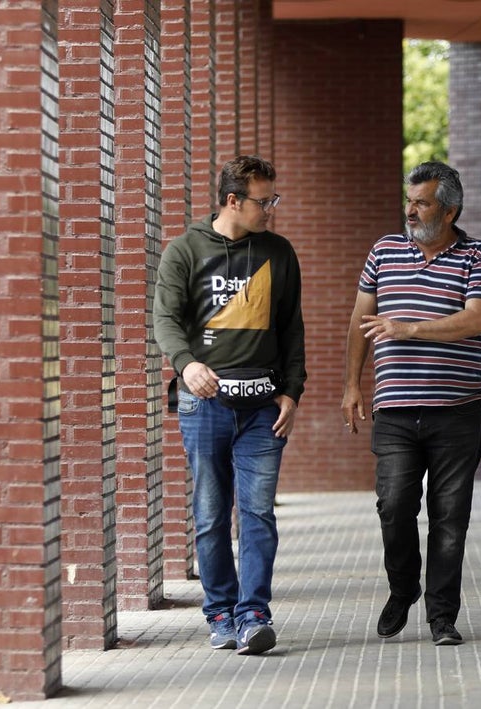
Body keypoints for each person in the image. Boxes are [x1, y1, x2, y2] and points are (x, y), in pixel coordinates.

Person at [342, 161, 481, 646]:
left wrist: (407, 328)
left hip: (457, 410)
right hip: (394, 409)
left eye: (422, 203)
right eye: (408, 202)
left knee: (449, 518)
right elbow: (360, 320)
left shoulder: (477, 256)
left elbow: (477, 320)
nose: (410, 211)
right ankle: (403, 587)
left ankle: (442, 616)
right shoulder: (384, 251)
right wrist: (352, 385)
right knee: (393, 506)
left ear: (449, 211)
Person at [153, 155, 306, 656]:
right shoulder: (185, 250)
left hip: (264, 408)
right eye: (264, 201)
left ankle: (254, 614)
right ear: (233, 200)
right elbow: (165, 318)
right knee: (211, 513)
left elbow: (291, 327)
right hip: (206, 405)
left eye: (273, 199)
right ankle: (220, 612)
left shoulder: (278, 252)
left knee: (258, 513)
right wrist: (185, 365)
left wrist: (293, 390)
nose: (270, 209)